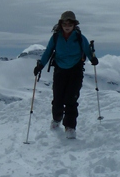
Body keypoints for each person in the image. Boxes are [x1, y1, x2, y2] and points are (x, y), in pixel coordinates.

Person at [33, 11, 98, 139]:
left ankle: (70, 127)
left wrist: (93, 59)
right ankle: (57, 118)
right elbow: (48, 52)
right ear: (61, 24)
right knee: (58, 99)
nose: (67, 26)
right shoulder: (56, 37)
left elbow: (87, 50)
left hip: (76, 70)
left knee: (71, 99)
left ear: (74, 24)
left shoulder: (79, 37)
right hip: (60, 71)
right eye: (65, 23)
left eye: (70, 23)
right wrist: (40, 65)